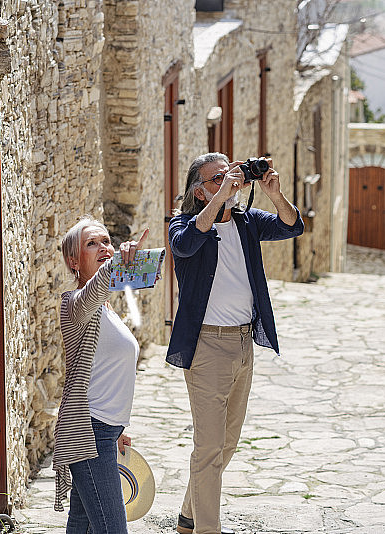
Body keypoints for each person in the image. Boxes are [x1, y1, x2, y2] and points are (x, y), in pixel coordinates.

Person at [167, 153, 304, 534]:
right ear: (198, 191)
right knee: (209, 447)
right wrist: (219, 198)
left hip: (243, 344)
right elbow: (185, 246)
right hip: (207, 347)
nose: (228, 181)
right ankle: (208, 529)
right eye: (216, 178)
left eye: (229, 173)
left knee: (226, 444)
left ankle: (187, 515)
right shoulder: (184, 225)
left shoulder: (246, 222)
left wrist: (275, 195)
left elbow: (291, 227)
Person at [53, 215, 149, 533]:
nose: (103, 248)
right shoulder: (74, 303)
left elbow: (105, 375)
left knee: (82, 525)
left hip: (104, 431)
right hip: (88, 433)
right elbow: (92, 292)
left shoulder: (107, 310)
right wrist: (117, 261)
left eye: (106, 241)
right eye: (92, 243)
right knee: (112, 529)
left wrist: (118, 426)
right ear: (73, 260)